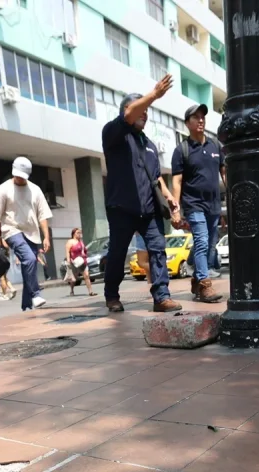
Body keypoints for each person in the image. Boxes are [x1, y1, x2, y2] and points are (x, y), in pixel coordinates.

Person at [100, 75, 184, 313]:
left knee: (158, 250)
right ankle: (111, 295)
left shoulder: (149, 144)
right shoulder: (113, 134)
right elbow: (127, 117)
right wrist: (153, 96)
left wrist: (168, 196)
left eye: (148, 110)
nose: (145, 113)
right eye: (142, 109)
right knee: (117, 253)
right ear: (128, 111)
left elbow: (156, 177)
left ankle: (161, 297)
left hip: (149, 210)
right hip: (121, 208)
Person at [171, 103, 226, 302]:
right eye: (196, 117)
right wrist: (176, 210)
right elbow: (176, 181)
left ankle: (196, 277)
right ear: (187, 123)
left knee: (209, 246)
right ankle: (204, 284)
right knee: (202, 241)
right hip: (193, 204)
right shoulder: (182, 150)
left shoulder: (215, 146)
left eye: (203, 116)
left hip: (213, 205)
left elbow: (224, 173)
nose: (201, 119)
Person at [0, 156, 52, 311]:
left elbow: (42, 215)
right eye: (17, 175)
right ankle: (36, 294)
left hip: (32, 232)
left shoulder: (35, 190)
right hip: (11, 231)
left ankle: (26, 306)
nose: (20, 179)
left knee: (27, 266)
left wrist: (46, 237)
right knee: (29, 259)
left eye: (23, 177)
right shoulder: (4, 189)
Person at [65, 227, 97, 296]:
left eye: (80, 233)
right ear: (74, 234)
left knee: (86, 275)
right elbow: (67, 252)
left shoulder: (81, 242)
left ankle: (91, 291)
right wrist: (68, 261)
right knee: (74, 278)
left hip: (83, 261)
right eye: (78, 233)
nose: (79, 234)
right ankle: (72, 290)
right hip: (75, 262)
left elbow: (84, 251)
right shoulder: (70, 242)